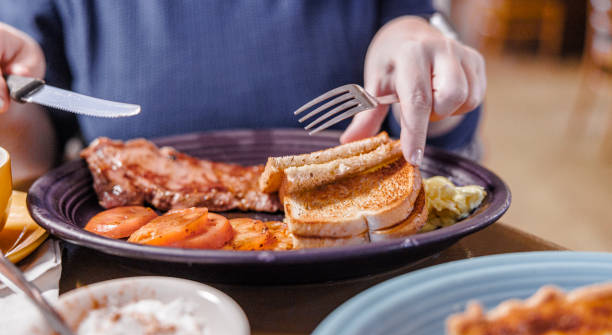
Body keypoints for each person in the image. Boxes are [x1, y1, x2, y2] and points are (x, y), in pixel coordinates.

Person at [0, 1, 485, 183]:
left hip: (361, 274)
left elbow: (437, 144)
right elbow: (30, 160)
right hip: (130, 284)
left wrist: (425, 64)